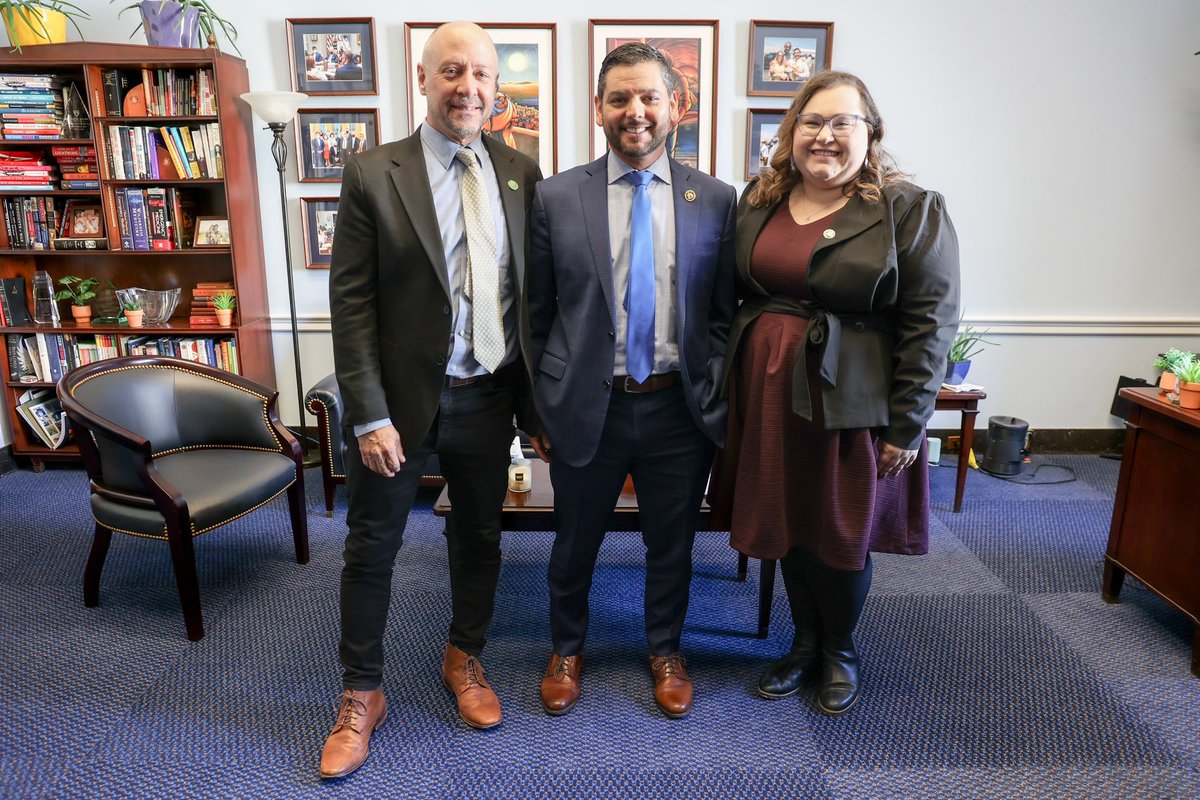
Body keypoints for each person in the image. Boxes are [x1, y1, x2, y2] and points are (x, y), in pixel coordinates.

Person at [320, 21, 542, 779]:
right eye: (452, 72)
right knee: (372, 547)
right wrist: (369, 412)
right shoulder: (374, 171)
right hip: (401, 404)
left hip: (488, 396)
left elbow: (528, 301)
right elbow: (350, 307)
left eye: (481, 75)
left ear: (495, 87)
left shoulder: (521, 171)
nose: (468, 88)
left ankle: (465, 658)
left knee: (478, 537)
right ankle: (361, 693)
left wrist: (535, 411)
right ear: (424, 80)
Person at [709, 70, 960, 715]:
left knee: (839, 525)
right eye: (811, 123)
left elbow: (930, 322)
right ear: (790, 132)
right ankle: (803, 644)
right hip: (767, 389)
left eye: (842, 123)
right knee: (789, 519)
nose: (824, 136)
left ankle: (840, 651)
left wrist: (908, 423)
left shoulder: (906, 207)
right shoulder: (758, 200)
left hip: (852, 397)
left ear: (869, 133)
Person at [527, 43, 736, 720]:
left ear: (676, 106)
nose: (634, 112)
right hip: (591, 404)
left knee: (670, 542)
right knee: (573, 540)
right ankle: (566, 648)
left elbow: (726, 312)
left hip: (679, 406)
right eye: (619, 98)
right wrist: (538, 413)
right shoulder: (556, 196)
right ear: (599, 108)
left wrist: (717, 396)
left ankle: (666, 650)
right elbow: (533, 316)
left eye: (649, 97)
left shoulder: (717, 200)